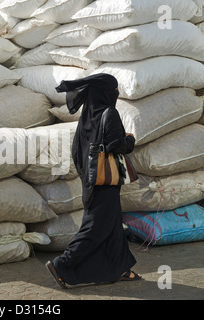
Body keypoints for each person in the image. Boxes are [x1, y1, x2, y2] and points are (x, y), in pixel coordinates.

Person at [45, 73, 141, 289]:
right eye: (114, 90)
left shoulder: (87, 116)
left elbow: (77, 150)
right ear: (107, 93)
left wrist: (86, 177)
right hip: (104, 183)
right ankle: (62, 264)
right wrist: (130, 140)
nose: (115, 94)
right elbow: (117, 145)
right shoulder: (110, 113)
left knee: (114, 224)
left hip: (91, 181)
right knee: (95, 227)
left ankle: (120, 268)